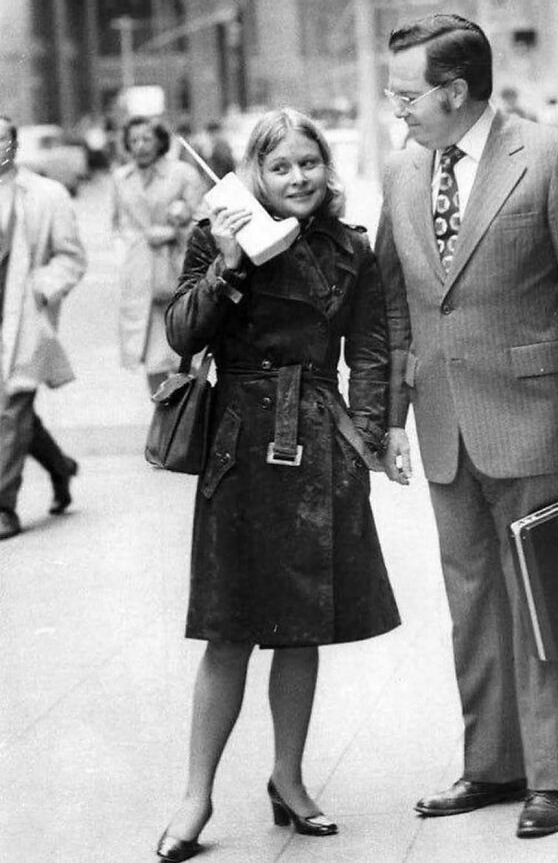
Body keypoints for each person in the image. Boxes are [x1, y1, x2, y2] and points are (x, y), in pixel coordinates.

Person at [377, 14, 558, 838]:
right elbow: (399, 305)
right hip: (446, 421)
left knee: (535, 596)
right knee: (472, 602)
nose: (395, 106)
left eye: (407, 92)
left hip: (533, 416)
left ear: (455, 90)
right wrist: (394, 418)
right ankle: (491, 765)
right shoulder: (403, 170)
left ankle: (551, 777)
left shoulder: (551, 156)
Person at [156, 108, 400, 862]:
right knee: (227, 628)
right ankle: (195, 796)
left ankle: (288, 780)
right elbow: (181, 333)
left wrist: (364, 439)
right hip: (237, 444)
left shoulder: (348, 247)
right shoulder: (218, 234)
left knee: (302, 628)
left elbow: (371, 350)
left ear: (327, 168)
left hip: (320, 442)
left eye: (309, 163)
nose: (298, 178)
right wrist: (230, 261)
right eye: (280, 166)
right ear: (254, 173)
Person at [0, 115, 86, 541]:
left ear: (14, 145)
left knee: (12, 407)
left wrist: (43, 286)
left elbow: (71, 257)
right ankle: (60, 466)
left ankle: (3, 507)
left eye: (1, 140)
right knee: (15, 417)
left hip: (24, 319)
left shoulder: (45, 195)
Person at [111, 117, 204, 396]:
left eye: (147, 139)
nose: (140, 146)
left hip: (179, 269)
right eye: (134, 140)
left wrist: (175, 229)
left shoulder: (183, 173)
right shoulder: (121, 177)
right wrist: (128, 253)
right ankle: (162, 428)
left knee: (187, 359)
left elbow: (204, 219)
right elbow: (117, 225)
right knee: (152, 360)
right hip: (141, 277)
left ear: (161, 141)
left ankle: (189, 425)